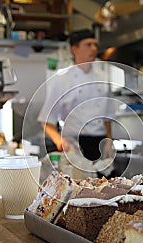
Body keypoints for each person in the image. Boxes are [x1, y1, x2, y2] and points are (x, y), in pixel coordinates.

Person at [37, 29, 115, 162]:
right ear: (74, 49)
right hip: (74, 144)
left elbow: (107, 116)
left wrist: (109, 140)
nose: (94, 48)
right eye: (88, 45)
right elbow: (46, 121)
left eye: (95, 45)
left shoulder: (103, 78)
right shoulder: (61, 80)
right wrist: (61, 141)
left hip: (100, 142)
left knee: (104, 181)